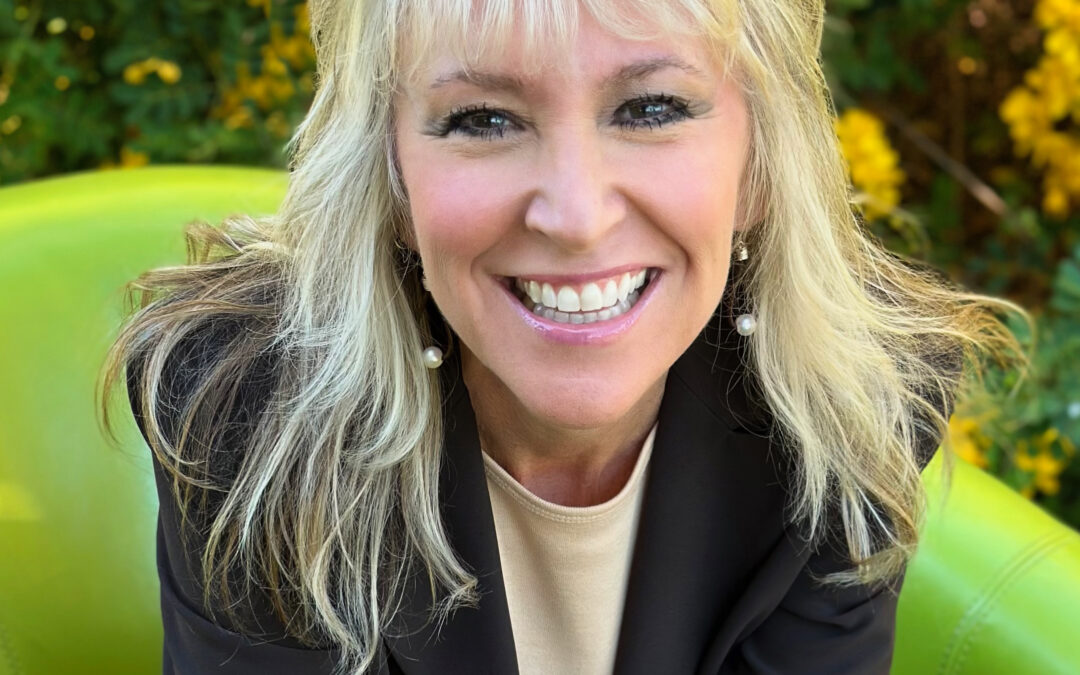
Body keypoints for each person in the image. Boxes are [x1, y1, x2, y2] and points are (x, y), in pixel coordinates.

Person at [99, 1, 1024, 673]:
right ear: (390, 178)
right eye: (484, 119)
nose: (576, 216)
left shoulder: (852, 402)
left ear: (759, 164)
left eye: (652, 108)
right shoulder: (245, 411)